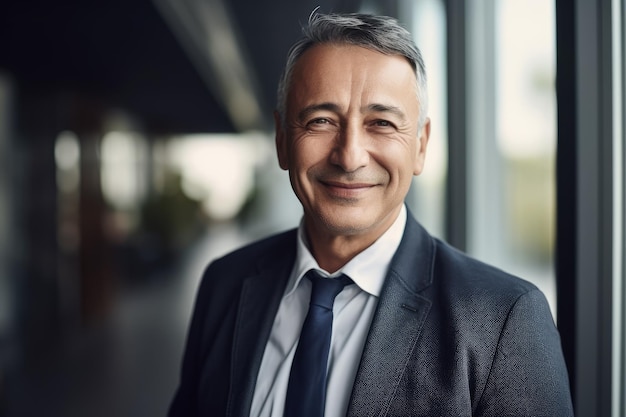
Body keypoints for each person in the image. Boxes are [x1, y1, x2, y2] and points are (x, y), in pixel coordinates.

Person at [168, 12, 573, 417]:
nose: (349, 156)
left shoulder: (504, 319)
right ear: (281, 139)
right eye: (321, 120)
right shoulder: (225, 283)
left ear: (420, 145)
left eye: (381, 123)